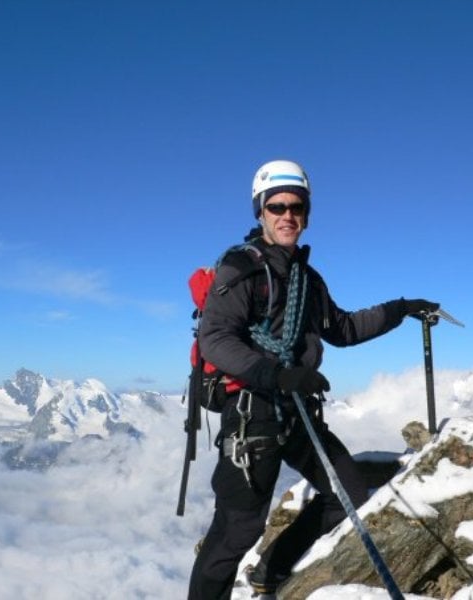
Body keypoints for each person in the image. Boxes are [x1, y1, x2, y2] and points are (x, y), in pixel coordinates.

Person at [187, 159, 439, 599]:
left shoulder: (306, 277)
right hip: (254, 417)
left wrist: (400, 309)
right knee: (236, 533)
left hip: (297, 412)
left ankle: (272, 570)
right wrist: (277, 374)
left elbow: (341, 329)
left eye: (297, 207)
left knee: (346, 494)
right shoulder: (242, 268)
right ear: (260, 212)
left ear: (306, 213)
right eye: (277, 206)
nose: (288, 215)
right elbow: (215, 339)